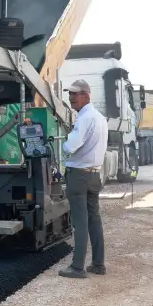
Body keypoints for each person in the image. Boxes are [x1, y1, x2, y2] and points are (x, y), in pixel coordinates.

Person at [59, 79, 108, 279]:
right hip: (94, 175)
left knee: (80, 222)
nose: (70, 97)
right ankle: (98, 264)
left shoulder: (84, 118)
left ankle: (77, 267)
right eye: (69, 93)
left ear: (86, 95)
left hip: (78, 176)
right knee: (94, 220)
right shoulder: (100, 118)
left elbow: (70, 146)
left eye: (74, 94)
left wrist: (64, 142)